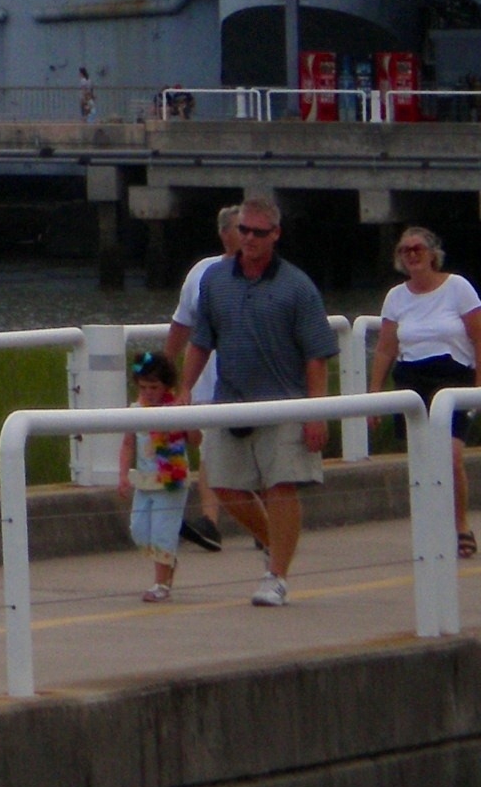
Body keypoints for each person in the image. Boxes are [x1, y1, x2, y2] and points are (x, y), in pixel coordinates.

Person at [178, 191, 337, 608]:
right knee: (227, 488)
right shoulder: (214, 280)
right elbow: (200, 341)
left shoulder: (297, 287)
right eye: (242, 230)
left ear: (275, 235)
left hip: (285, 403)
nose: (248, 238)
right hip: (231, 401)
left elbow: (317, 356)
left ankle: (276, 576)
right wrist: (183, 392)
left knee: (281, 486)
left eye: (258, 232)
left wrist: (316, 412)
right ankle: (274, 543)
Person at [369, 226, 481, 555]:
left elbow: (480, 338)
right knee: (422, 462)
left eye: (418, 248)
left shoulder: (458, 288)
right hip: (412, 379)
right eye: (405, 250)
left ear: (433, 253)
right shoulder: (396, 297)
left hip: (453, 377)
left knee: (451, 457)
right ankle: (430, 528)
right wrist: (375, 396)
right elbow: (385, 349)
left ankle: (460, 525)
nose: (412, 254)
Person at [159, 204, 242, 553]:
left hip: (252, 378)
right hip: (207, 380)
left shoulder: (268, 274)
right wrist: (165, 374)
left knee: (253, 453)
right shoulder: (201, 273)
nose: (250, 236)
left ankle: (267, 526)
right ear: (225, 234)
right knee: (210, 450)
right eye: (243, 229)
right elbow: (182, 325)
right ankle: (210, 522)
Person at [116, 353, 190, 603]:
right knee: (138, 530)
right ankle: (167, 562)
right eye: (143, 387)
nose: (148, 392)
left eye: (154, 387)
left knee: (162, 532)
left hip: (171, 481)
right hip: (145, 482)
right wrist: (123, 475)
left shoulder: (175, 410)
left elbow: (196, 439)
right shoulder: (135, 411)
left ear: (166, 387)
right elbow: (127, 444)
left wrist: (185, 421)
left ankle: (161, 583)